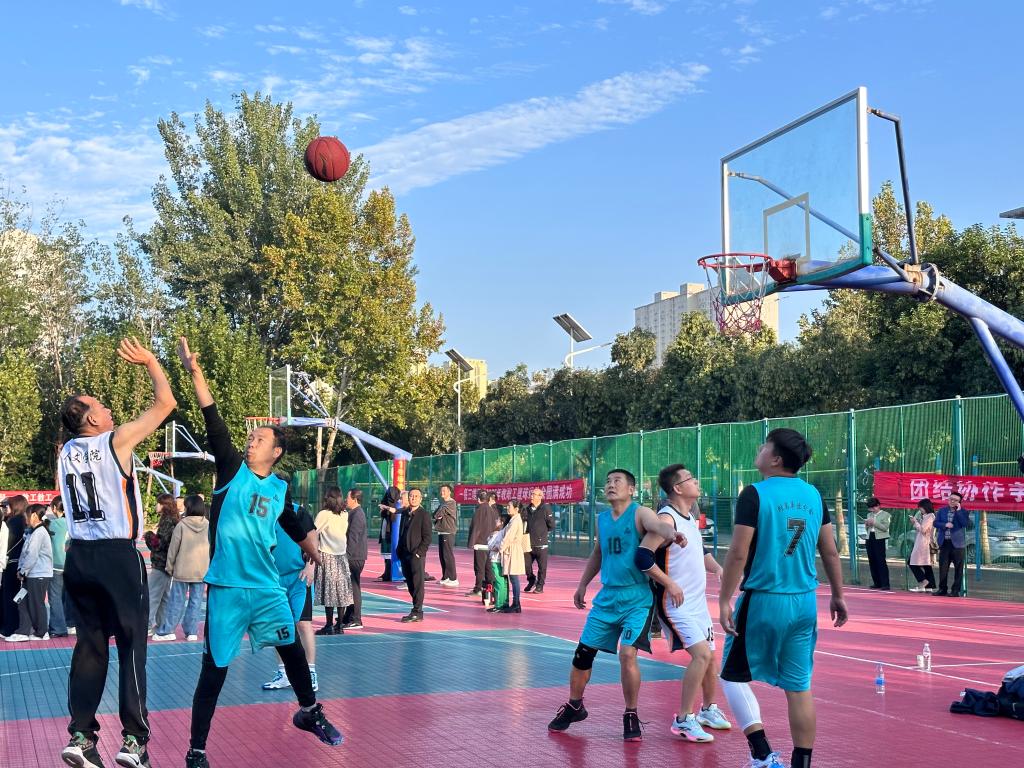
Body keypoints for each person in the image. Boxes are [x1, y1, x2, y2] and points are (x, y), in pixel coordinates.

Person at [176, 337, 341, 768]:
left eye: (260, 438)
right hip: (228, 588)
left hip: (267, 588)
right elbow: (213, 418)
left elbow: (293, 524)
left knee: (292, 650)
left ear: (276, 451)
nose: (251, 442)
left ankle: (309, 711)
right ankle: (196, 750)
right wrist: (195, 372)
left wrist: (314, 554)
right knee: (214, 671)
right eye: (250, 437)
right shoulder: (232, 470)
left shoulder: (280, 489)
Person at [55, 338, 176, 768]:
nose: (109, 410)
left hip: (79, 558)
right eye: (101, 406)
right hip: (116, 556)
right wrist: (151, 361)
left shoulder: (65, 452)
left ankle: (81, 737)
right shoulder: (115, 441)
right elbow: (165, 404)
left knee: (89, 647)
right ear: (91, 418)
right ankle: (134, 741)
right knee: (131, 647)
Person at [717, 429, 848, 768]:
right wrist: (838, 595)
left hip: (765, 600)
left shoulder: (755, 494)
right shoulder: (813, 495)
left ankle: (762, 754)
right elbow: (830, 552)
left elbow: (738, 553)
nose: (759, 449)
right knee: (799, 687)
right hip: (805, 602)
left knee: (730, 676)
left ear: (775, 459)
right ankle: (801, 763)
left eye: (764, 446)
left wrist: (724, 599)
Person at [547, 468, 687, 741]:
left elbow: (657, 525)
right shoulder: (601, 519)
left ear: (631, 489)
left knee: (627, 654)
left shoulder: (639, 513)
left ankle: (631, 712)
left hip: (636, 600)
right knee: (582, 655)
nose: (611, 485)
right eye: (608, 481)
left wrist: (671, 532)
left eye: (617, 481)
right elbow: (598, 553)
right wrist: (583, 584)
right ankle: (575, 706)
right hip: (607, 599)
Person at [646, 464, 732, 743]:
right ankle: (683, 719)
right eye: (690, 478)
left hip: (697, 604)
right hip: (675, 604)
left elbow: (700, 550)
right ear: (677, 488)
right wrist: (669, 584)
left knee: (710, 657)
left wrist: (717, 568)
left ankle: (708, 710)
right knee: (702, 656)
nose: (696, 481)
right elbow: (642, 557)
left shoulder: (689, 517)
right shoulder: (666, 519)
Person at [263, 502, 319, 693]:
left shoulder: (298, 512)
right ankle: (283, 673)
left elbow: (313, 538)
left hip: (299, 577)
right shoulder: (265, 512)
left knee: (303, 624)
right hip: (275, 579)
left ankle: (310, 672)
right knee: (280, 625)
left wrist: (310, 566)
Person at [153, 495, 210, 642]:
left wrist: (169, 566)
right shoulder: (208, 525)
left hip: (182, 569)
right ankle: (191, 632)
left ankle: (168, 630)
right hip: (201, 570)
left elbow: (173, 548)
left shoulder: (182, 525)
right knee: (195, 602)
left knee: (176, 601)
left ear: (188, 507)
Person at [7, 503, 54, 641]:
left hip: (38, 574)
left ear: (34, 515)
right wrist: (21, 570)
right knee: (22, 601)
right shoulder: (33, 532)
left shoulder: (39, 532)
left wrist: (23, 571)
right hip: (31, 574)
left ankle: (42, 632)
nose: (25, 519)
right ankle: (23, 631)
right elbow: (26, 554)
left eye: (27, 515)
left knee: (36, 603)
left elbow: (32, 555)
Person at [313, 487, 354, 636]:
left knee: (329, 591)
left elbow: (313, 532)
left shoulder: (324, 514)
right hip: (341, 556)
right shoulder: (344, 514)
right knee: (341, 591)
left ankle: (329, 624)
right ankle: (339, 626)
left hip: (327, 555)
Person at [397, 488, 432, 623]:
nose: (413, 498)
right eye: (411, 496)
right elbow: (401, 532)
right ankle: (416, 609)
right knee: (410, 582)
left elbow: (427, 537)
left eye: (416, 496)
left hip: (416, 554)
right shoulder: (405, 513)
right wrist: (399, 550)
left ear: (421, 499)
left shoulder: (424, 515)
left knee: (417, 584)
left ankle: (417, 611)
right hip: (404, 553)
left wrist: (419, 553)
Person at [146, 493, 179, 635]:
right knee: (164, 598)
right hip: (168, 563)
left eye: (158, 503)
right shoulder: (173, 520)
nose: (156, 505)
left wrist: (149, 536)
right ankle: (163, 625)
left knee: (151, 595)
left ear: (164, 505)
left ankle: (147, 625)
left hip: (161, 563)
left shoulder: (167, 521)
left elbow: (159, 544)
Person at [1, 495, 28, 638]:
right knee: (16, 596)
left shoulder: (12, 522)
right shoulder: (24, 521)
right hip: (20, 563)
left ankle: (9, 627)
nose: (5, 509)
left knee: (8, 596)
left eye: (7, 506)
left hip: (10, 563)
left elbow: (6, 543)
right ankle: (14, 625)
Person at [340, 489, 367, 630]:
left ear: (355, 499)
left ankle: (356, 619)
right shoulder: (354, 513)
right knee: (350, 587)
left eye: (348, 497)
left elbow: (353, 537)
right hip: (354, 555)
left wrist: (346, 555)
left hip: (355, 557)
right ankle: (348, 616)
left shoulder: (357, 514)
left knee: (354, 587)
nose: (346, 500)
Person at [934, 491, 970, 597]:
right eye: (950, 499)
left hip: (958, 545)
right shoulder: (942, 511)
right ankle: (942, 589)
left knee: (958, 569)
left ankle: (955, 591)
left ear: (959, 502)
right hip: (944, 543)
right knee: (943, 568)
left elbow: (964, 523)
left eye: (955, 500)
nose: (952, 501)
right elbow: (935, 523)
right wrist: (945, 524)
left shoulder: (964, 512)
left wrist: (958, 511)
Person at [47, 497, 72, 638]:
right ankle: (69, 623)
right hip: (71, 565)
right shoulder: (72, 523)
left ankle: (58, 627)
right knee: (67, 596)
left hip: (56, 565)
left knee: (55, 597)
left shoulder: (53, 524)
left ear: (55, 508)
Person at [496, 499, 527, 614]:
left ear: (516, 509)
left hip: (513, 550)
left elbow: (508, 537)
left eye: (509, 506)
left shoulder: (515, 521)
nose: (507, 508)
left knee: (514, 577)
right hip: (511, 550)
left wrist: (500, 548)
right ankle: (515, 604)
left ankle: (516, 604)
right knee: (513, 577)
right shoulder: (513, 520)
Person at [523, 488, 555, 595]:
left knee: (542, 567)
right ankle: (532, 580)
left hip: (541, 544)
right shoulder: (527, 509)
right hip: (528, 544)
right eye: (531, 494)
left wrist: (541, 533)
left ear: (540, 496)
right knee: (526, 566)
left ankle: (540, 586)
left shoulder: (545, 508)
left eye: (534, 494)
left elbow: (551, 525)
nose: (531, 496)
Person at [466, 489, 497, 597]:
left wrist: (471, 542)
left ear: (478, 499)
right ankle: (490, 589)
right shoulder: (492, 510)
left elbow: (476, 527)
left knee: (479, 568)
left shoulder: (479, 510)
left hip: (480, 543)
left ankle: (478, 589)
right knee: (488, 568)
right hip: (490, 543)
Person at [908, 499, 937, 592]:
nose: (920, 510)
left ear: (926, 507)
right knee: (926, 564)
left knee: (912, 562)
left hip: (924, 543)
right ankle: (930, 586)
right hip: (922, 541)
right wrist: (915, 522)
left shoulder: (930, 516)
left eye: (921, 508)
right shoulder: (927, 516)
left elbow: (923, 530)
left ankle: (923, 581)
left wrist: (915, 522)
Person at [433, 484, 459, 587]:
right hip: (441, 531)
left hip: (448, 532)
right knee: (442, 556)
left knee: (448, 556)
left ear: (449, 492)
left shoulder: (451, 503)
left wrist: (437, 515)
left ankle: (453, 578)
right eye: (441, 490)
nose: (442, 492)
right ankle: (446, 577)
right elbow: (435, 514)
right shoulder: (443, 503)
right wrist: (437, 515)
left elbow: (438, 514)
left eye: (444, 490)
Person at [864, 497, 891, 591]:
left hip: (879, 539)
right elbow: (867, 529)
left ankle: (885, 583)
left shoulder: (886, 515)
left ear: (878, 505)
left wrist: (874, 523)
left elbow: (885, 528)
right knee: (872, 560)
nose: (872, 510)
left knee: (880, 560)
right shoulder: (869, 514)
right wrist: (867, 524)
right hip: (870, 537)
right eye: (870, 508)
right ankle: (877, 582)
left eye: (873, 507)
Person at [377, 486, 400, 582]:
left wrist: (386, 508)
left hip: (390, 533)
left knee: (390, 553)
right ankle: (386, 572)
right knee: (386, 553)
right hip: (385, 531)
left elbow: (394, 517)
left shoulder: (397, 506)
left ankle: (390, 573)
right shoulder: (387, 507)